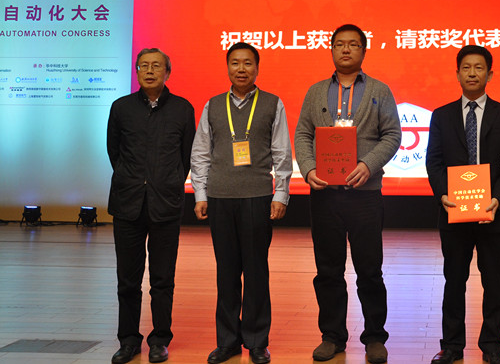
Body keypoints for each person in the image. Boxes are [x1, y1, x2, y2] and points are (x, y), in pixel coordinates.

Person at [294, 24, 401, 364]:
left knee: (369, 270)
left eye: (353, 44)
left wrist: (369, 164)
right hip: (325, 195)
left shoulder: (380, 91)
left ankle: (375, 338)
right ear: (331, 49)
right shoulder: (315, 92)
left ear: (363, 51)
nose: (345, 50)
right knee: (328, 269)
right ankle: (332, 336)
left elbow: (392, 135)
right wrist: (308, 168)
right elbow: (303, 134)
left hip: (365, 194)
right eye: (339, 44)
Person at [190, 42, 292, 364]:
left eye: (248, 63)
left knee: (256, 271)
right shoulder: (213, 105)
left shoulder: (273, 103)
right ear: (227, 68)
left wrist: (281, 194)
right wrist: (200, 194)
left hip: (257, 197)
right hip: (220, 197)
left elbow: (282, 152)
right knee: (227, 272)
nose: (241, 69)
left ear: (257, 68)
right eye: (235, 63)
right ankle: (228, 341)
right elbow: (201, 152)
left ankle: (257, 341)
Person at [426, 45, 500, 364]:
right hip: (454, 212)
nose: (472, 73)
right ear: (457, 74)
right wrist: (443, 195)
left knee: (494, 282)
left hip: (493, 213)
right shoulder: (441, 116)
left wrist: (498, 199)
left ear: (490, 74)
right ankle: (452, 346)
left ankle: (493, 346)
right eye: (466, 67)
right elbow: (434, 161)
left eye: (479, 68)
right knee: (454, 281)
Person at [107, 48, 196, 364]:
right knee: (127, 280)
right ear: (136, 71)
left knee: (162, 279)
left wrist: (167, 182)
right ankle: (128, 340)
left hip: (165, 204)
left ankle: (160, 339)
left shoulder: (182, 109)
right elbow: (114, 151)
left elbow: (186, 156)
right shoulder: (121, 108)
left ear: (167, 72)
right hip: (127, 203)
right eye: (143, 65)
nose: (149, 70)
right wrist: (133, 179)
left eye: (156, 65)